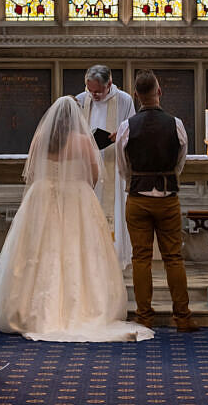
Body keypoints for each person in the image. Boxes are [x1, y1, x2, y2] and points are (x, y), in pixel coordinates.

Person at [0, 96, 152, 342]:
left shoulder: (40, 139)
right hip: (76, 197)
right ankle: (81, 308)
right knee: (76, 251)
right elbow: (94, 174)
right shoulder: (83, 141)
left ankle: (28, 309)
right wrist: (80, 190)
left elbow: (32, 172)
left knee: (40, 251)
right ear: (75, 121)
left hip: (42, 197)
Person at [116, 70, 199, 332]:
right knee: (173, 257)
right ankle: (183, 318)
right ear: (159, 92)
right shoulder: (176, 124)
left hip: (138, 198)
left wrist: (136, 179)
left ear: (136, 96)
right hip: (167, 199)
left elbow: (122, 164)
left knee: (141, 258)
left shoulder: (127, 126)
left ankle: (144, 316)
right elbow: (180, 160)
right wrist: (168, 177)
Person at [76, 65, 135, 268]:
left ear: (109, 84)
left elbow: (133, 132)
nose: (93, 95)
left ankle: (113, 259)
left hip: (113, 168)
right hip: (85, 167)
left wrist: (121, 136)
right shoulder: (81, 100)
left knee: (112, 212)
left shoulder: (125, 100)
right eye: (89, 90)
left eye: (98, 91)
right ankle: (87, 258)